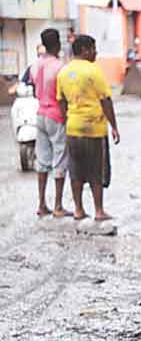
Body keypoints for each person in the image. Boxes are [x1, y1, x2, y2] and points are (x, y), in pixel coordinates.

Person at [56, 34, 120, 221]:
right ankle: (99, 210)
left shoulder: (64, 72)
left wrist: (68, 119)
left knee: (76, 171)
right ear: (84, 50)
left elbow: (61, 102)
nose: (95, 52)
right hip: (94, 129)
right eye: (93, 48)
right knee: (95, 171)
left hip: (73, 128)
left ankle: (78, 209)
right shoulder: (93, 71)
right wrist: (114, 126)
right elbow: (105, 100)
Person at [30, 30, 67, 218]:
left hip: (40, 114)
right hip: (56, 115)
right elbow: (64, 95)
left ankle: (42, 204)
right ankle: (58, 205)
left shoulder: (35, 65)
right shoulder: (60, 67)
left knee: (43, 160)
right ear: (58, 44)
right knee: (60, 159)